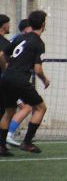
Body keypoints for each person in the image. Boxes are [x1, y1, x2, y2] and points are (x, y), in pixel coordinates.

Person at [0, 10, 50, 156]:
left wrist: (7, 69)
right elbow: (38, 69)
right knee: (40, 108)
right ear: (43, 24)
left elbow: (3, 55)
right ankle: (27, 142)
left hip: (6, 78)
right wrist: (44, 80)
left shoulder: (20, 38)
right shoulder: (38, 42)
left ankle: (1, 147)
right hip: (20, 80)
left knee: (8, 112)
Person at [6, 19, 33, 147]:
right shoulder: (25, 41)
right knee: (26, 107)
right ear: (26, 30)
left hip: (8, 78)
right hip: (11, 80)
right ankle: (8, 135)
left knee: (9, 109)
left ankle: (5, 136)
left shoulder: (15, 39)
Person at [0, 14, 11, 121]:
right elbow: (1, 56)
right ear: (4, 25)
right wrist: (5, 71)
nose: (9, 26)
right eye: (8, 24)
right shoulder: (5, 43)